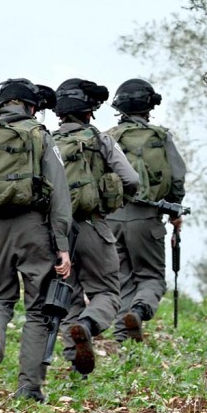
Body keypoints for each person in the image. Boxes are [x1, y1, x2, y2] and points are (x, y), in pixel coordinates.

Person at [0, 78, 72, 402]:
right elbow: (60, 194)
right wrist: (62, 246)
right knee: (38, 309)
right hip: (34, 228)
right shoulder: (39, 135)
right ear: (31, 106)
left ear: (1, 104)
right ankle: (28, 390)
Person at [52, 79, 140, 375]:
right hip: (92, 225)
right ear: (89, 111)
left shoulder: (46, 142)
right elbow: (131, 180)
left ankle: (75, 367)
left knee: (69, 296)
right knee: (107, 293)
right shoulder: (100, 139)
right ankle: (87, 326)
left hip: (55, 233)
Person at [106, 79, 187, 342]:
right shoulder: (161, 137)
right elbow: (176, 178)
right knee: (152, 277)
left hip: (112, 219)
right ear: (149, 107)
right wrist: (175, 212)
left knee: (122, 279)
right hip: (148, 218)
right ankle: (139, 312)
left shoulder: (107, 138)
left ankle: (122, 338)